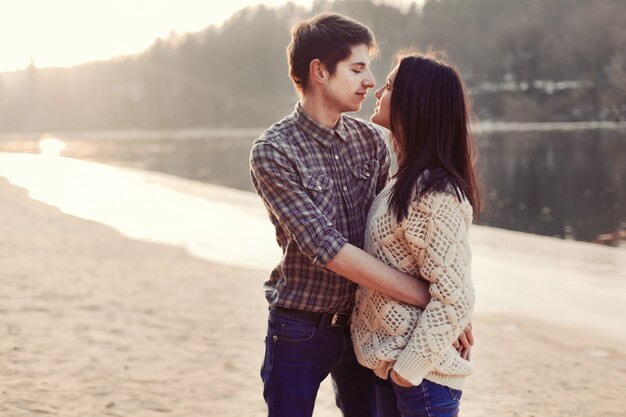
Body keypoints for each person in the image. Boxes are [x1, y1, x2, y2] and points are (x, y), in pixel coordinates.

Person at [249, 13, 442, 417]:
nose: (370, 81)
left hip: (366, 322)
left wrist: (447, 305)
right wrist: (427, 298)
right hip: (299, 326)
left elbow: (392, 237)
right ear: (319, 71)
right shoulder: (273, 151)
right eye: (357, 69)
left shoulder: (372, 140)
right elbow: (328, 249)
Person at [350, 51, 482, 417]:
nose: (378, 91)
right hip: (393, 369)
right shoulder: (402, 182)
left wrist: (407, 374)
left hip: (420, 378)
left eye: (390, 85)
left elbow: (454, 298)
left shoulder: (435, 194)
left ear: (415, 102)